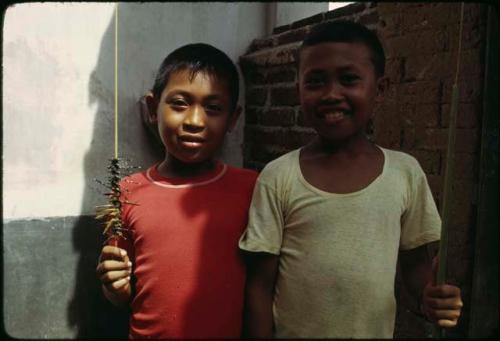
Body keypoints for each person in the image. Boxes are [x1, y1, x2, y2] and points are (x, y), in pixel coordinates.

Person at [239, 20, 463, 338]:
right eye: (315, 82)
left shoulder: (405, 172)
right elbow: (260, 287)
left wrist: (432, 299)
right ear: (298, 90)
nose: (332, 94)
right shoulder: (278, 177)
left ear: (379, 89)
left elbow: (415, 268)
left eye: (349, 79)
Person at [95, 43, 258, 339]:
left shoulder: (252, 188)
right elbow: (119, 295)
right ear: (153, 108)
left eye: (213, 108)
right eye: (180, 104)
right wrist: (113, 286)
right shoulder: (125, 191)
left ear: (233, 119)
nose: (194, 122)